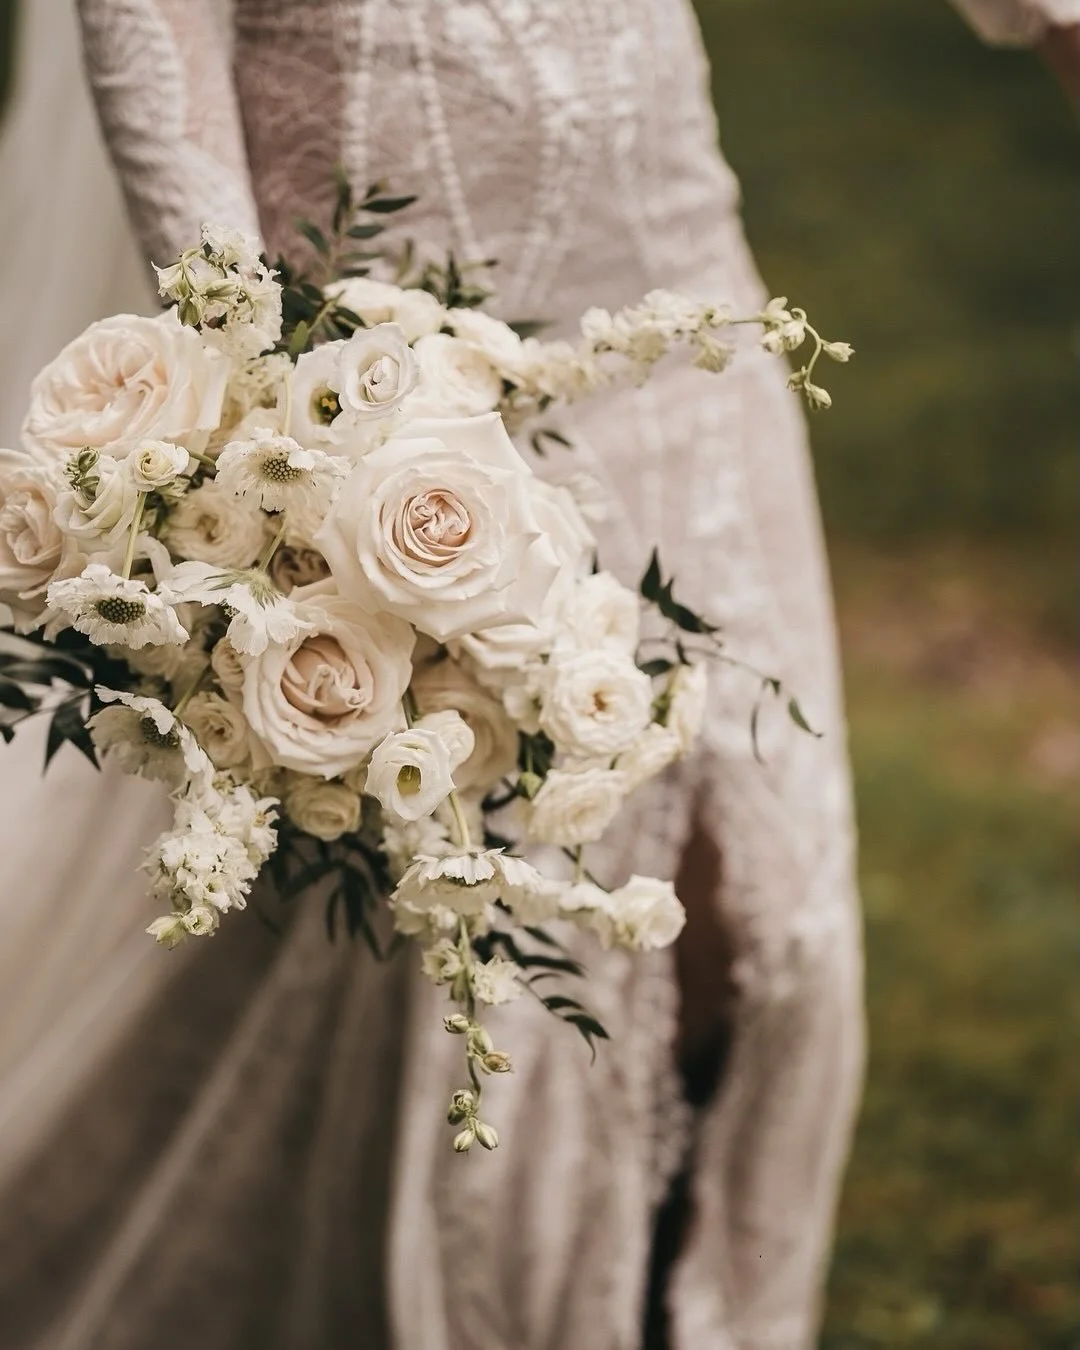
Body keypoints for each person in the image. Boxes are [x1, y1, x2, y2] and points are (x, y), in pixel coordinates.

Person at [0, 0, 1067, 1346]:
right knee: (550, 988)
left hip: (678, 332)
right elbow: (166, 81)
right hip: (409, 414)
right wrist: (280, 436)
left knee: (780, 941)